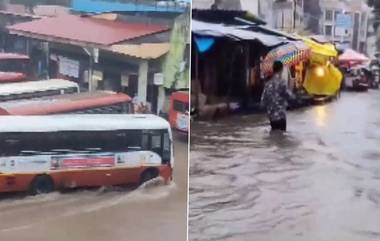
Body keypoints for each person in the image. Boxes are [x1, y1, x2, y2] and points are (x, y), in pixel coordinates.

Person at [261, 61, 295, 131]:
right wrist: (293, 94)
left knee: (274, 134)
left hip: (271, 116)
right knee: (281, 137)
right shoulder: (282, 82)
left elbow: (263, 102)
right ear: (281, 69)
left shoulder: (268, 84)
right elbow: (289, 96)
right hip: (280, 115)